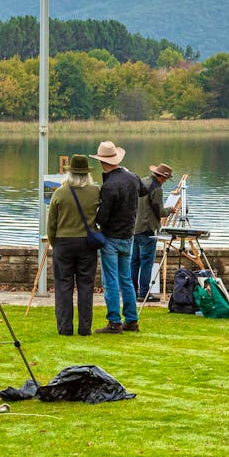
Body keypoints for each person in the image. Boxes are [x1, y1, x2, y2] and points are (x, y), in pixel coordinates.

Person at [90, 140, 147, 334]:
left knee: (111, 282)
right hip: (128, 236)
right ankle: (131, 320)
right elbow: (144, 190)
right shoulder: (132, 177)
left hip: (111, 238)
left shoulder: (109, 186)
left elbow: (103, 217)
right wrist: (128, 173)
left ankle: (114, 322)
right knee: (126, 280)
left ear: (101, 162)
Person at [47, 154, 100, 336]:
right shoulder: (95, 192)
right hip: (87, 243)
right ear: (87, 174)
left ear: (70, 173)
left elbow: (51, 224)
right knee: (86, 286)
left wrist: (55, 243)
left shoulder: (59, 193)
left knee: (63, 286)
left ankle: (65, 327)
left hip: (63, 243)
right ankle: (85, 328)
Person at [131, 162, 175, 302]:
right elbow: (159, 211)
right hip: (148, 229)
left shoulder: (142, 181)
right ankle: (143, 293)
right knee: (146, 263)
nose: (165, 182)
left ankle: (132, 291)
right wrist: (170, 210)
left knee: (134, 261)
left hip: (135, 228)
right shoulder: (156, 188)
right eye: (166, 179)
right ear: (162, 177)